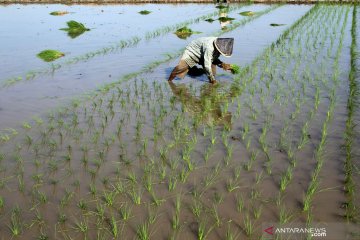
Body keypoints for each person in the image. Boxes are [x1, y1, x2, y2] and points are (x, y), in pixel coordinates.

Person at [168, 37, 234, 84]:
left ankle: (208, 84)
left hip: (204, 53)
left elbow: (214, 59)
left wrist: (223, 65)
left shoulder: (221, 44)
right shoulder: (209, 47)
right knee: (181, 68)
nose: (220, 53)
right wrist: (213, 80)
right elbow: (207, 66)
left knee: (213, 72)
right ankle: (169, 81)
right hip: (193, 52)